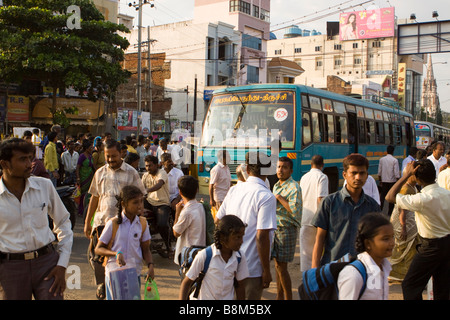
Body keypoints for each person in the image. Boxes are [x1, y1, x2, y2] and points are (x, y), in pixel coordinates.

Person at [0, 138, 73, 300]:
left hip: (47, 263)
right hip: (10, 268)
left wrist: (62, 263)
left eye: (30, 158)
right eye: (22, 159)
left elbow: (63, 221)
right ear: (5, 164)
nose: (29, 164)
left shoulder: (44, 186)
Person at [84, 139, 146, 300]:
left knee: (120, 259)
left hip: (122, 224)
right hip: (102, 222)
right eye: (107, 156)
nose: (111, 159)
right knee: (98, 257)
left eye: (114, 156)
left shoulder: (131, 172)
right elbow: (94, 198)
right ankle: (103, 285)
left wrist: (140, 218)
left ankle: (122, 290)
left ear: (121, 154)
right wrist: (87, 223)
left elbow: (140, 197)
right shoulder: (100, 173)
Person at [215, 151, 277, 300]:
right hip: (251, 268)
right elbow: (261, 236)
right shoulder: (266, 196)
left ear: (247, 169)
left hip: (228, 262)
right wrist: (267, 271)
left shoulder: (234, 189)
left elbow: (218, 220)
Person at [385, 160, 450, 300]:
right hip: (447, 244)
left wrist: (405, 176)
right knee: (442, 287)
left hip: (430, 247)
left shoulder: (422, 199)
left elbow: (389, 196)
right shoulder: (447, 194)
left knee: (410, 284)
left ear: (417, 178)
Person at [311, 154, 381, 267]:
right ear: (345, 175)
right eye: (353, 173)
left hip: (361, 269)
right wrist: (314, 272)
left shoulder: (372, 206)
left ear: (367, 176)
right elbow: (319, 239)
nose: (358, 177)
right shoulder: (329, 202)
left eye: (362, 173)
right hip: (332, 268)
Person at [95, 185, 154, 300]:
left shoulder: (142, 224)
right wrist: (115, 254)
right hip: (115, 275)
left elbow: (146, 249)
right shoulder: (113, 224)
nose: (140, 205)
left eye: (141, 201)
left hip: (134, 273)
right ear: (124, 204)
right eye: (135, 202)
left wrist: (150, 265)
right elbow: (98, 248)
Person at [179, 214, 249, 300]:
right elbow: (186, 283)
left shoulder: (240, 257)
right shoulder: (205, 255)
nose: (241, 241)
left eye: (242, 237)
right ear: (222, 237)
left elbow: (240, 286)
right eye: (237, 237)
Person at [337, 212, 394, 300]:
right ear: (368, 243)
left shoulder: (384, 268)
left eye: (392, 237)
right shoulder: (354, 275)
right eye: (385, 239)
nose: (392, 243)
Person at [271, 157, 302, 300]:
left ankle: (288, 297)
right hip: (275, 228)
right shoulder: (277, 185)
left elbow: (295, 211)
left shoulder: (294, 187)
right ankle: (279, 296)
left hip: (286, 229)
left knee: (282, 268)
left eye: (284, 167)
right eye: (278, 167)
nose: (280, 170)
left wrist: (279, 198)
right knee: (278, 266)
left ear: (291, 170)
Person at [299, 155, 329, 272]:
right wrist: (325, 219)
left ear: (311, 164)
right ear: (322, 165)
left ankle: (306, 277)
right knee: (318, 251)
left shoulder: (304, 177)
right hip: (317, 219)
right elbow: (320, 198)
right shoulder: (322, 177)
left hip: (305, 218)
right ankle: (316, 275)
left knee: (305, 252)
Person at [389, 168, 419, 281]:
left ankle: (401, 274)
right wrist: (403, 228)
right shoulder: (405, 189)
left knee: (409, 250)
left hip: (408, 222)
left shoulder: (413, 187)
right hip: (403, 223)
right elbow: (402, 211)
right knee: (403, 249)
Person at [142, 155, 173, 258]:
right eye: (146, 166)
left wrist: (148, 190)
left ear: (156, 165)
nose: (148, 168)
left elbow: (159, 184)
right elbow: (140, 188)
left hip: (162, 204)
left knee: (162, 225)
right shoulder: (145, 175)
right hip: (149, 202)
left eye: (150, 166)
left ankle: (169, 247)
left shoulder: (162, 173)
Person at [173, 175, 206, 265]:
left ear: (180, 192)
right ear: (196, 190)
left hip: (187, 254)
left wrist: (177, 212)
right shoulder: (200, 206)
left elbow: (176, 233)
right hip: (199, 251)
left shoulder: (186, 212)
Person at [378, 145, 400, 216]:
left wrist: (380, 180)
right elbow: (396, 173)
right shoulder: (395, 160)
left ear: (387, 151)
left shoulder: (382, 159)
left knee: (382, 197)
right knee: (391, 197)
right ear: (393, 152)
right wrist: (398, 181)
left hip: (384, 181)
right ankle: (390, 212)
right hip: (392, 182)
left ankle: (380, 209)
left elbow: (379, 172)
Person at [76, 139, 95, 217]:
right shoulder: (82, 156)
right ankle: (81, 210)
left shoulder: (91, 156)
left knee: (88, 194)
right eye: (91, 148)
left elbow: (94, 167)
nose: (92, 149)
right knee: (82, 195)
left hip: (90, 177)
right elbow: (77, 167)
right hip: (83, 177)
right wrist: (78, 178)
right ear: (87, 148)